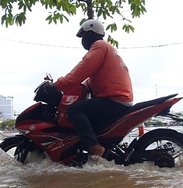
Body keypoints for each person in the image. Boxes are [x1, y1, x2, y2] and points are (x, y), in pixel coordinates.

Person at [54, 19, 133, 157]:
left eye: (83, 36)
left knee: (74, 110)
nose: (82, 40)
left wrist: (58, 85)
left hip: (114, 99)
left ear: (91, 34)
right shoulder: (108, 48)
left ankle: (95, 148)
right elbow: (88, 80)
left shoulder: (99, 46)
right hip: (119, 98)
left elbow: (80, 71)